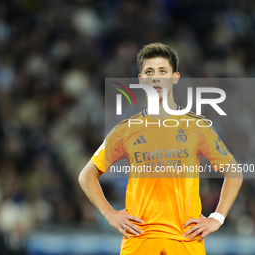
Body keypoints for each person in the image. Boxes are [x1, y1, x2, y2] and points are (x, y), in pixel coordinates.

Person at [78, 43, 243, 255]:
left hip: (186, 240)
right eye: (149, 71)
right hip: (139, 240)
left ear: (175, 77)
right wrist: (109, 213)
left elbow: (234, 172)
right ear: (141, 80)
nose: (156, 77)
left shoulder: (197, 126)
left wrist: (217, 218)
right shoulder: (126, 129)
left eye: (163, 71)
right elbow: (86, 175)